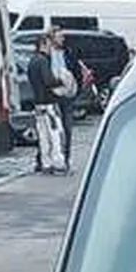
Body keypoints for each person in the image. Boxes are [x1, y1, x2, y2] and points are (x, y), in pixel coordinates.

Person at [26, 29, 66, 174]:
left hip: (38, 104)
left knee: (43, 137)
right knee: (55, 135)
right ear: (43, 44)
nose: (50, 48)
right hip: (49, 103)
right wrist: (61, 81)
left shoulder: (32, 61)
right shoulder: (43, 61)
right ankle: (58, 163)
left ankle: (46, 164)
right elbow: (48, 81)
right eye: (48, 45)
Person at [51, 32, 80, 174]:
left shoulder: (68, 53)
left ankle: (66, 159)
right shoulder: (48, 55)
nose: (62, 39)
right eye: (59, 37)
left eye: (62, 37)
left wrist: (75, 91)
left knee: (67, 128)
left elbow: (77, 72)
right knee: (52, 129)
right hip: (52, 95)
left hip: (67, 95)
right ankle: (49, 159)